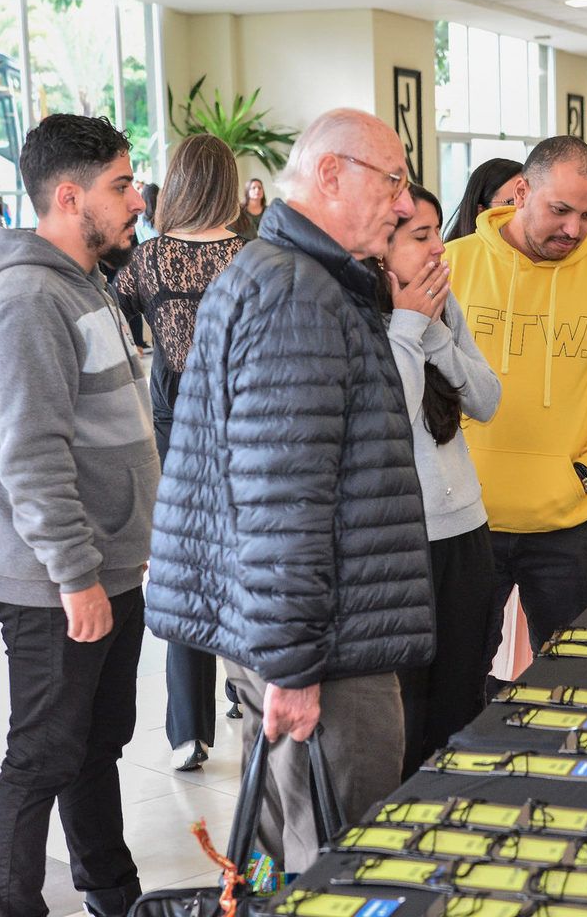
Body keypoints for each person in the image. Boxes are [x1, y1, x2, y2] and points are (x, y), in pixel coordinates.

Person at [146, 109, 433, 874]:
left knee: (294, 847)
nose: (405, 205)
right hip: (325, 647)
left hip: (299, 633)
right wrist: (296, 668)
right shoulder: (299, 296)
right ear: (333, 174)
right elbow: (282, 502)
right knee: (333, 860)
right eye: (395, 181)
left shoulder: (281, 273)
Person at [0, 114, 159, 917]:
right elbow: (33, 457)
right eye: (121, 185)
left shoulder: (85, 282)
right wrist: (77, 579)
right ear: (70, 196)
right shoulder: (26, 299)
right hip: (58, 582)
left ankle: (111, 892)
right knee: (43, 756)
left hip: (107, 568)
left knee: (96, 746)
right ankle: (12, 905)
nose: (138, 198)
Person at [443, 135, 587, 653]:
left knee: (571, 682)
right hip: (467, 521)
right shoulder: (453, 265)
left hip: (566, 525)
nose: (574, 230)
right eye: (560, 210)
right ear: (520, 191)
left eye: (586, 216)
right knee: (457, 681)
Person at [114, 134, 248, 773]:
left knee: (185, 571)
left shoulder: (149, 260)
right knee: (250, 561)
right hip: (247, 423)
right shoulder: (253, 257)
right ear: (228, 183)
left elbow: (112, 322)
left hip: (173, 432)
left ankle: (187, 733)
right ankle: (246, 693)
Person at [378, 183, 502, 776]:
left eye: (438, 236)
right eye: (421, 238)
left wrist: (437, 338)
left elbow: (486, 400)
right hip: (404, 540)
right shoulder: (364, 320)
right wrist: (406, 329)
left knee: (461, 696)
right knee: (405, 712)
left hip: (467, 530)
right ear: (382, 245)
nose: (438, 252)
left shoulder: (442, 311)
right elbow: (387, 425)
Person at [444, 157, 523, 242]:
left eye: (528, 202)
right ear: (481, 211)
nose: (525, 211)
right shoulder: (453, 254)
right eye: (512, 203)